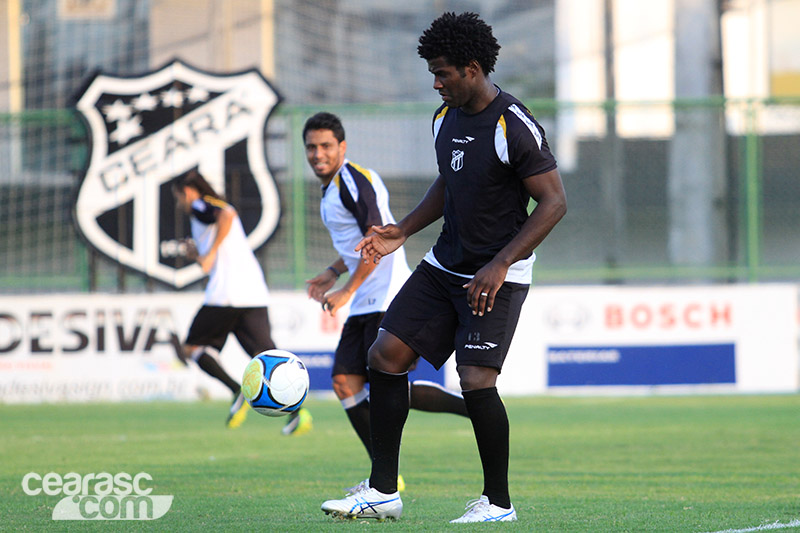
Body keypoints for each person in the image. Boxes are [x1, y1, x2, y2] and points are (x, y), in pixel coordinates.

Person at [320, 12, 567, 523]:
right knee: (385, 355)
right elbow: (448, 183)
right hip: (443, 265)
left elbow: (554, 202)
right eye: (433, 73)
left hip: (497, 275)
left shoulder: (512, 123)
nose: (436, 83)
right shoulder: (443, 118)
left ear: (472, 69)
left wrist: (500, 264)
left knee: (475, 379)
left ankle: (498, 503)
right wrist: (403, 229)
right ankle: (382, 491)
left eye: (443, 73)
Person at [302, 111, 468, 471]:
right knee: (345, 382)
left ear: (342, 147)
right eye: (311, 147)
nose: (318, 154)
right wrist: (333, 272)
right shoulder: (332, 188)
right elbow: (356, 245)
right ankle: (382, 474)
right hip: (365, 298)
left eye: (326, 146)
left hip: (386, 295)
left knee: (385, 388)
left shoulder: (353, 181)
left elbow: (376, 241)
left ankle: (469, 407)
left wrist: (346, 290)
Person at [173, 170, 312, 435]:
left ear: (188, 192)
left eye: (179, 197)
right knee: (267, 357)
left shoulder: (201, 205)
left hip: (226, 294)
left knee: (192, 348)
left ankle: (236, 390)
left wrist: (209, 253)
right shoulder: (207, 208)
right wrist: (200, 254)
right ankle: (298, 413)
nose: (180, 203)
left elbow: (227, 215)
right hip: (253, 292)